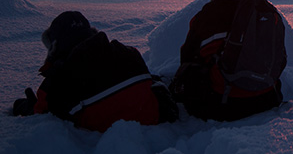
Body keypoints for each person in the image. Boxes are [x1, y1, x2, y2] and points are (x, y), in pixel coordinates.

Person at [171, 0, 287, 121]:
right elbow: (281, 60)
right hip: (266, 100)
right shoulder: (269, 13)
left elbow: (187, 57)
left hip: (218, 106)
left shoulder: (208, 14)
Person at [11, 11, 178, 132]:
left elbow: (41, 111)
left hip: (114, 134)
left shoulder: (59, 79)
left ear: (55, 46)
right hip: (156, 117)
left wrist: (23, 106)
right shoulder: (127, 52)